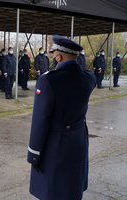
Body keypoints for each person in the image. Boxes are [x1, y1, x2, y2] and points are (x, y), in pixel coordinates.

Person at [27, 35, 96, 200]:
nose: (52, 56)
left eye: (53, 53)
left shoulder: (48, 81)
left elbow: (40, 121)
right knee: (72, 187)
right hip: (78, 139)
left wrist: (34, 153)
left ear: (59, 56)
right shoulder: (88, 78)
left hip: (56, 145)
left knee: (54, 190)